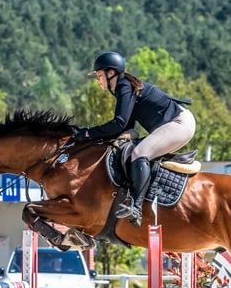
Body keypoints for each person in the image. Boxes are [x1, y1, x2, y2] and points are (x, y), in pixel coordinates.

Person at [73, 51, 196, 227]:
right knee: (133, 150)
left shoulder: (124, 86)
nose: (98, 80)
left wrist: (88, 134)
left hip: (179, 123)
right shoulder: (122, 88)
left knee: (140, 153)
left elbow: (119, 123)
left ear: (111, 73)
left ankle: (136, 207)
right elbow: (126, 127)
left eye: (99, 75)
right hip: (175, 123)